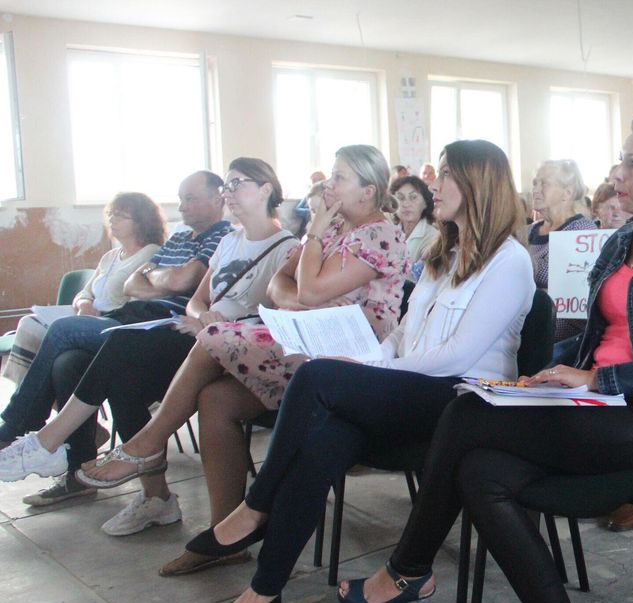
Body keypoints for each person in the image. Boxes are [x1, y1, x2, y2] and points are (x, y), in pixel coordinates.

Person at [321, 111, 633, 603]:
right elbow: (588, 340)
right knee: (481, 473)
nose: (618, 173)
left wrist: (595, 382)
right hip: (589, 405)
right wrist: (540, 377)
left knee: (465, 410)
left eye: (632, 163)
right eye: (620, 160)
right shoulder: (618, 240)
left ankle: (408, 571)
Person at [183, 139, 535, 603]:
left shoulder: (510, 261)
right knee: (326, 435)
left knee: (317, 377)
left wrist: (376, 377)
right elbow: (400, 335)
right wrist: (366, 364)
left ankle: (258, 505)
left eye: (449, 175)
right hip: (414, 389)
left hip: (462, 402)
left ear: (479, 185)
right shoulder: (445, 254)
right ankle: (263, 590)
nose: (434, 185)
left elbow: (459, 356)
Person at [75, 147, 404, 565]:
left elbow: (309, 289)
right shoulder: (337, 223)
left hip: (351, 354)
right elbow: (280, 287)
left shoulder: (380, 234)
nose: (327, 186)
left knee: (213, 336)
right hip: (303, 337)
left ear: (368, 190)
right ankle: (223, 539)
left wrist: (313, 250)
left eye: (338, 178)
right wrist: (303, 300)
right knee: (215, 399)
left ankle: (148, 444)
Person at [0, 158, 299, 536]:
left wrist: (216, 322)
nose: (229, 192)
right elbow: (197, 297)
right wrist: (202, 314)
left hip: (232, 348)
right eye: (226, 184)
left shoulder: (286, 246)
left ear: (266, 189)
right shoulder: (230, 240)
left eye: (237, 183)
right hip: (196, 331)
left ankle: (46, 442)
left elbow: (270, 312)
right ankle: (156, 499)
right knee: (99, 369)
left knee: (121, 343)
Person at [0, 172, 232, 504]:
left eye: (191, 198)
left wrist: (156, 278)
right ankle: (76, 474)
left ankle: (18, 428)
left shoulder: (221, 235)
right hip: (135, 317)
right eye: (180, 198)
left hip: (167, 327)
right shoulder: (180, 238)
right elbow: (132, 286)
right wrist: (159, 279)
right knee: (69, 363)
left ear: (217, 199)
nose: (183, 206)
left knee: (64, 331)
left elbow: (185, 281)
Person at [2, 193, 165, 386]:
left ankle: (26, 403)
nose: (112, 220)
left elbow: (138, 303)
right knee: (29, 322)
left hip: (114, 320)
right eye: (111, 214)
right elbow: (84, 293)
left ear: (141, 222)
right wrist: (84, 304)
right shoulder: (111, 256)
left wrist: (94, 314)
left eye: (120, 216)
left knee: (56, 342)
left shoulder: (151, 253)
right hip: (88, 316)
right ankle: (29, 396)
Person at [527, 159, 596, 341]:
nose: (536, 189)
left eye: (544, 183)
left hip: (559, 338)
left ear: (567, 192)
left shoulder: (582, 232)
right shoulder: (527, 231)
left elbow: (569, 288)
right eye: (535, 183)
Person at [389, 174, 440, 278]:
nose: (406, 204)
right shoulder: (387, 232)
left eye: (413, 197)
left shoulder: (433, 238)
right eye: (400, 198)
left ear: (425, 203)